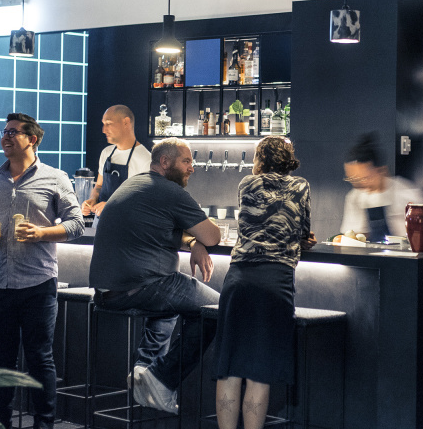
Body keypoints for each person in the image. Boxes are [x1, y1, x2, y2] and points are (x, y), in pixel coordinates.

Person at [0, 113, 84, 429]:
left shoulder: (55, 178)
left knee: (39, 358)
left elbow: (76, 224)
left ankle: (43, 424)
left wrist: (42, 233)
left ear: (32, 139)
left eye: (13, 132)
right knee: (0, 361)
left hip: (38, 284)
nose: (5, 137)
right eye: (4, 132)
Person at [89, 137, 221, 415]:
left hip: (107, 293)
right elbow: (213, 236)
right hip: (140, 287)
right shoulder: (170, 191)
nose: (192, 168)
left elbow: (166, 229)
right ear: (165, 162)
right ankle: (163, 378)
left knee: (171, 304)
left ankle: (144, 371)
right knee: (218, 310)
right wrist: (199, 240)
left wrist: (192, 243)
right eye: (186, 161)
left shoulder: (133, 184)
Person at [213, 136, 315, 429]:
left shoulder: (246, 184)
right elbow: (303, 230)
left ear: (259, 159)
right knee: (260, 372)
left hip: (239, 280)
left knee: (229, 369)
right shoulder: (301, 186)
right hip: (275, 282)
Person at [340, 132, 423, 240]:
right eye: (353, 179)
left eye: (364, 178)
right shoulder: (354, 198)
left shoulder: (406, 192)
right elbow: (352, 234)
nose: (359, 184)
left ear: (381, 170)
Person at [81, 105, 152, 221]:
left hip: (127, 225)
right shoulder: (106, 153)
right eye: (103, 124)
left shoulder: (146, 159)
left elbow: (145, 201)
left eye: (108, 123)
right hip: (101, 222)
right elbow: (99, 186)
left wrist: (111, 206)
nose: (103, 130)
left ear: (126, 122)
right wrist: (93, 199)